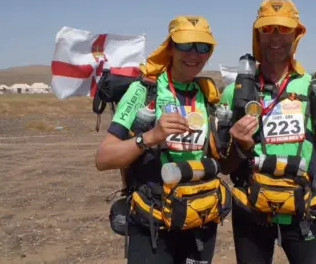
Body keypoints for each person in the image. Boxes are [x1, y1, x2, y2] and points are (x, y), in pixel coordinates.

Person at [219, 0, 316, 264]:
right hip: (250, 208)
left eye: (284, 29)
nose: (275, 38)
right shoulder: (235, 93)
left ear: (296, 34)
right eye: (267, 30)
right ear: (257, 34)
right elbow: (224, 166)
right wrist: (240, 146)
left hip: (305, 209)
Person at [95, 15, 231, 264]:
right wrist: (151, 136)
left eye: (203, 46)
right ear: (169, 47)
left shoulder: (208, 95)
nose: (194, 54)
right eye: (184, 45)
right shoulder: (143, 90)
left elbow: (223, 160)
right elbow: (103, 158)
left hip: (200, 219)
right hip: (153, 225)